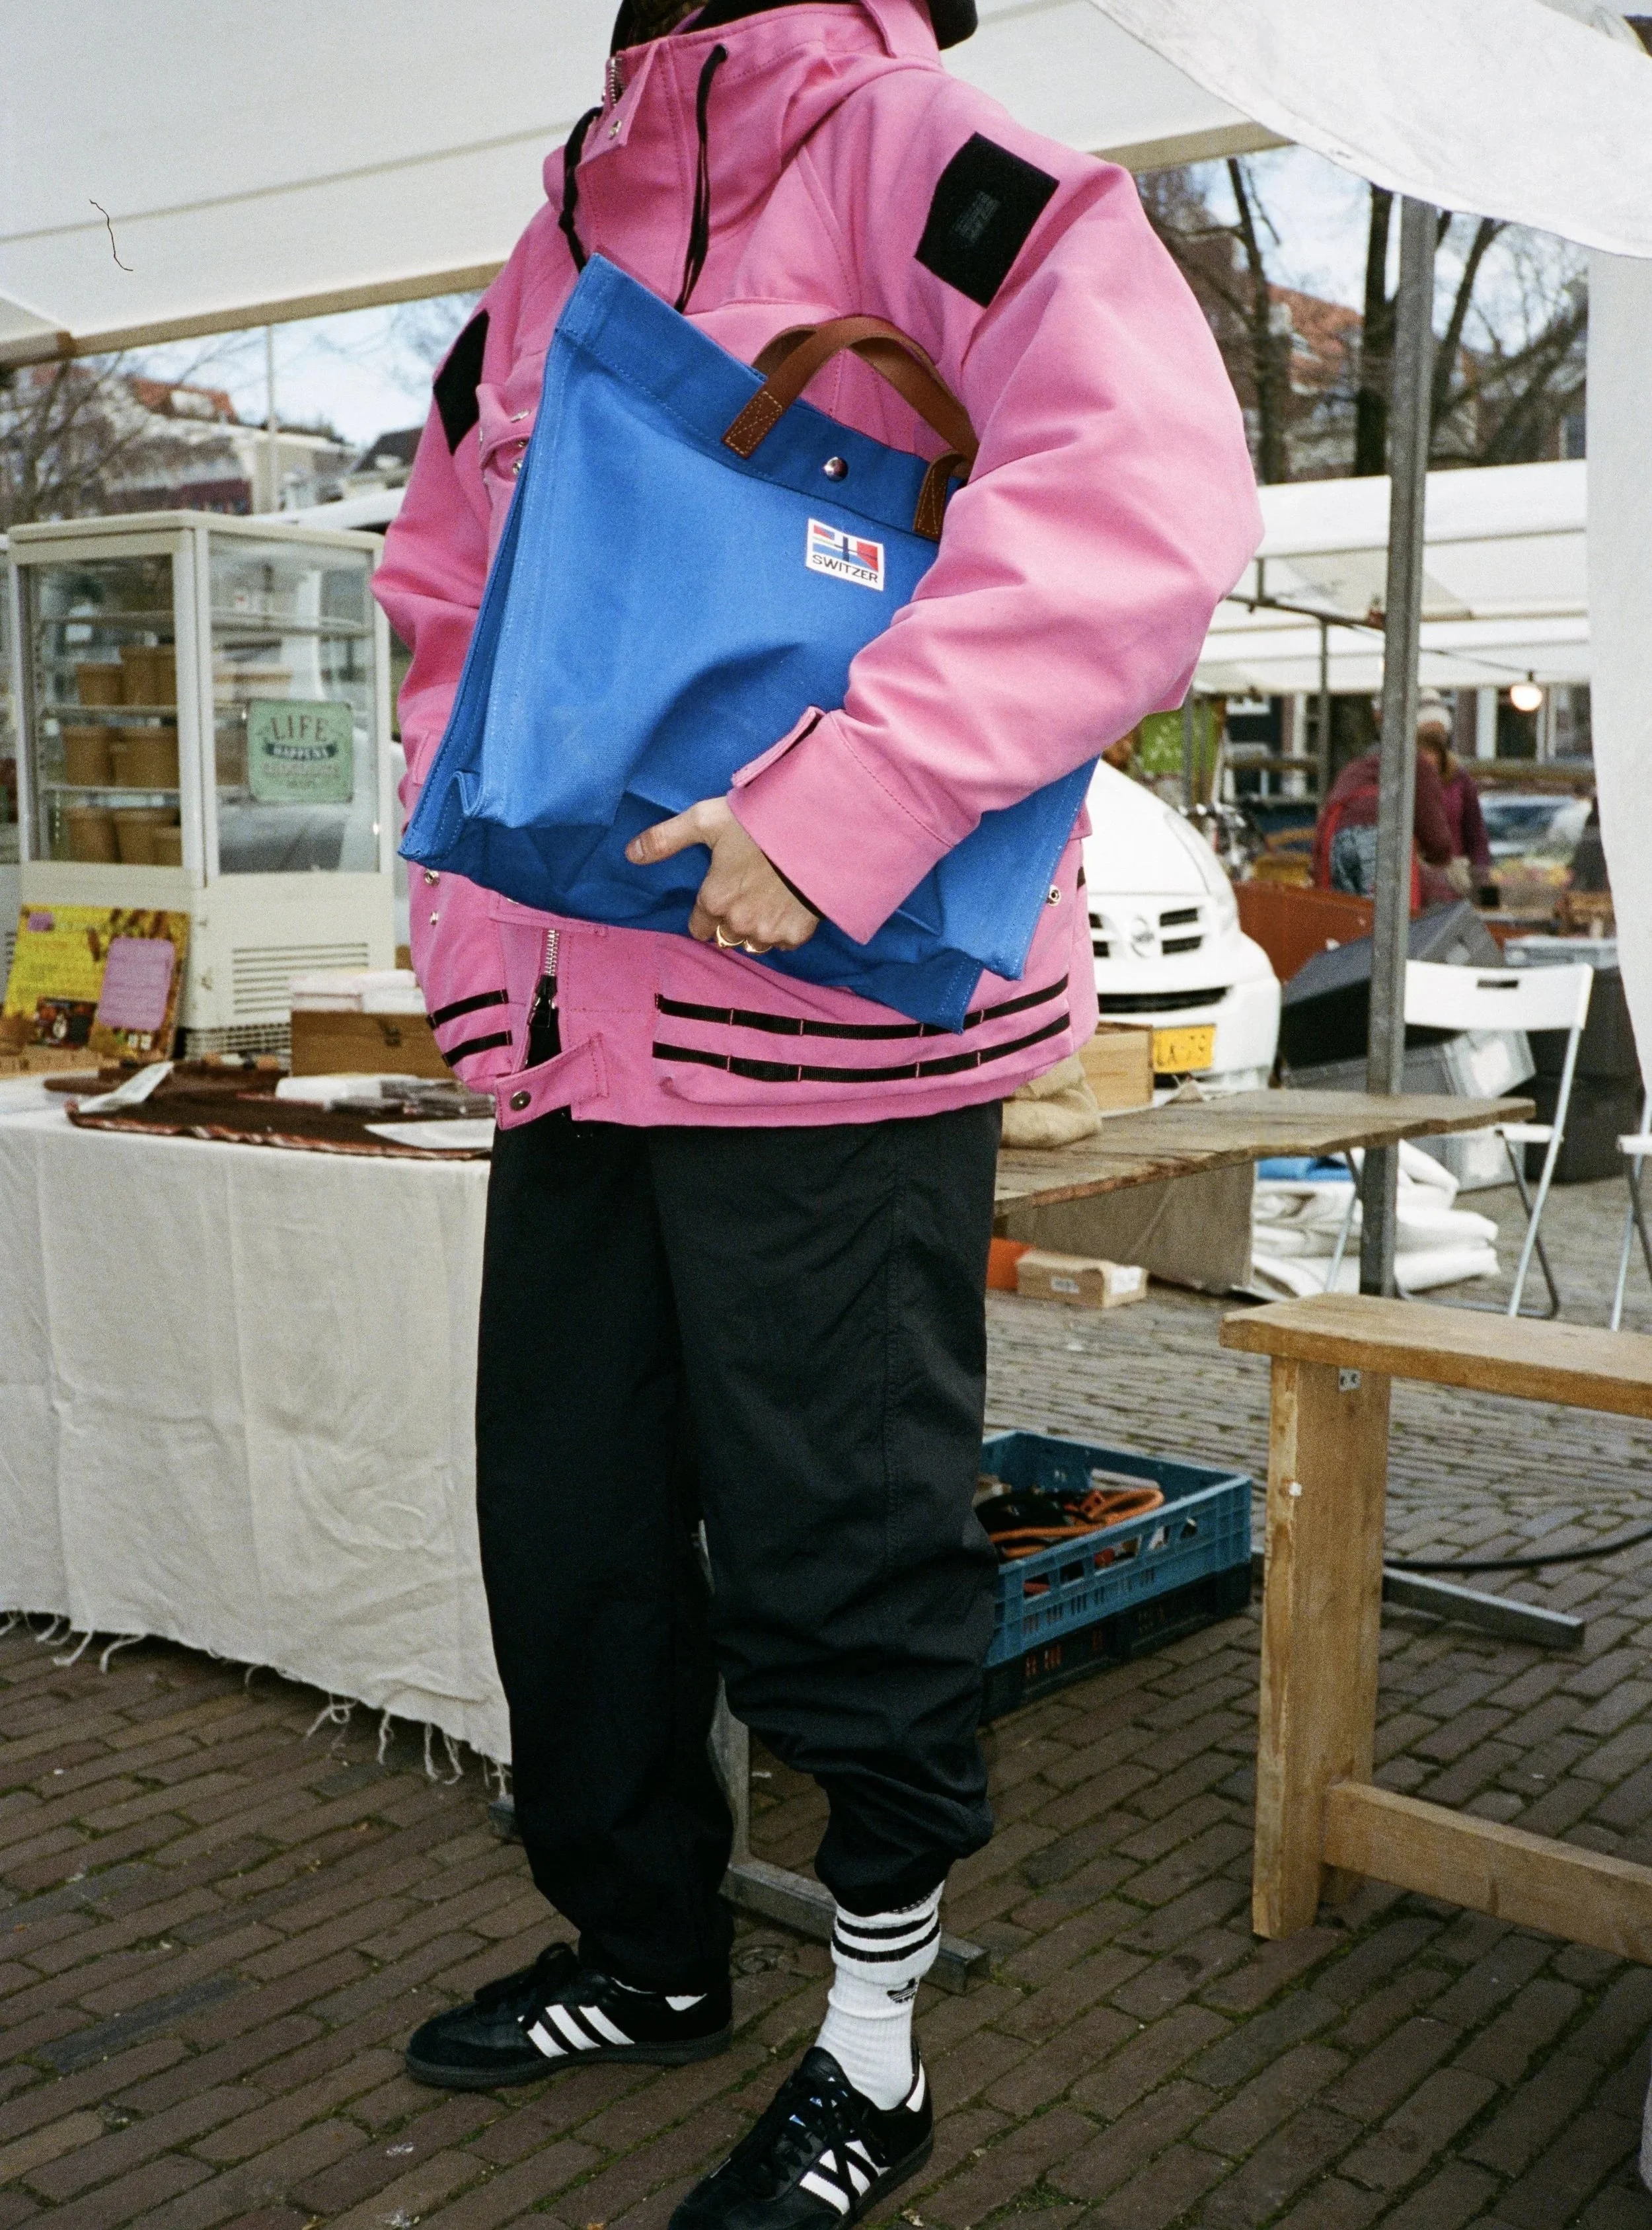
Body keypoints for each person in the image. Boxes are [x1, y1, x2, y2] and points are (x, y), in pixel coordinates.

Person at [372, 4, 1259, 2224]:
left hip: (831, 1016)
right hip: (578, 1026)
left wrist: (849, 802)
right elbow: (441, 592)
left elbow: (1145, 498)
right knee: (571, 1537)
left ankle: (880, 2039)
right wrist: (452, 900)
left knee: (837, 1550)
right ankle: (651, 1952)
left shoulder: (929, 158)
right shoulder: (558, 226)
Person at [1313, 701, 1456, 905]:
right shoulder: (1420, 764)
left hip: (1336, 841)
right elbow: (1438, 840)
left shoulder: (1362, 765)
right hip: (1375, 837)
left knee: (1347, 918)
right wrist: (1441, 860)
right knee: (1381, 922)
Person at [1414, 691, 1491, 891]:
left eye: (1435, 744)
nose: (1428, 755)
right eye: (1424, 745)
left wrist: (1481, 873)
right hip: (1416, 875)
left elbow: (1476, 832)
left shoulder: (1459, 779)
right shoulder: (1405, 782)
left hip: (1454, 876)